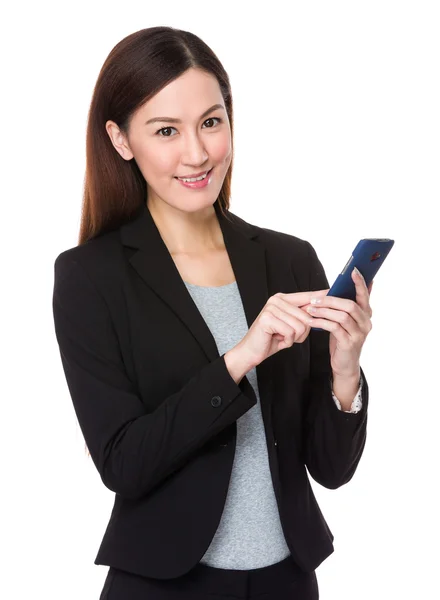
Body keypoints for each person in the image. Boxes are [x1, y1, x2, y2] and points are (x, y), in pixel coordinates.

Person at [52, 26, 373, 600]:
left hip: (286, 583)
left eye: (211, 121)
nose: (197, 153)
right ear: (121, 139)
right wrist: (239, 360)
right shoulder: (90, 278)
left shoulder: (289, 259)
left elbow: (331, 469)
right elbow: (123, 464)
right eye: (166, 130)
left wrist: (345, 371)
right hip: (164, 585)